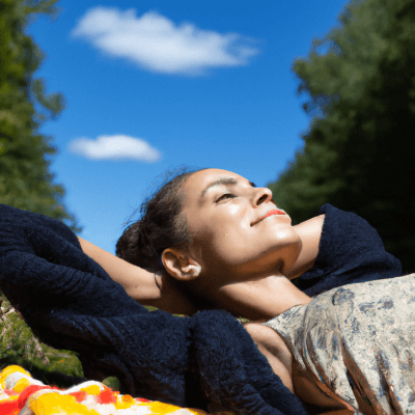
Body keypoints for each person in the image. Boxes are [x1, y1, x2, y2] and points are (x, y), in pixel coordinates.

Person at [81, 167, 409, 414]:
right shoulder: (262, 349)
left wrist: (195, 284)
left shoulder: (356, 266)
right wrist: (164, 286)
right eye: (225, 196)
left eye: (252, 186)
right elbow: (41, 239)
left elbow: (338, 230)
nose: (265, 191)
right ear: (181, 262)